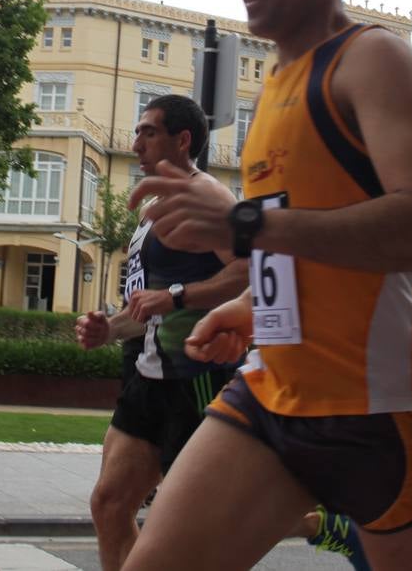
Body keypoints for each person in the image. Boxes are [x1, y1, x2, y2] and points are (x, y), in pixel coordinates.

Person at [118, 0, 412, 571]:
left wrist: (243, 225)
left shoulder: (373, 59)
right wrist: (248, 305)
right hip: (270, 392)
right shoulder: (278, 85)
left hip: (382, 407)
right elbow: (301, 238)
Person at [74, 94, 251, 571]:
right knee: (109, 504)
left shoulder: (210, 198)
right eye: (136, 132)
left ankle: (318, 523)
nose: (135, 143)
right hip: (149, 376)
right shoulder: (152, 207)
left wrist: (176, 297)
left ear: (182, 139)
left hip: (197, 379)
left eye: (148, 132)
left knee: (189, 528)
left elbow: (248, 274)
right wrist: (107, 329)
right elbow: (146, 307)